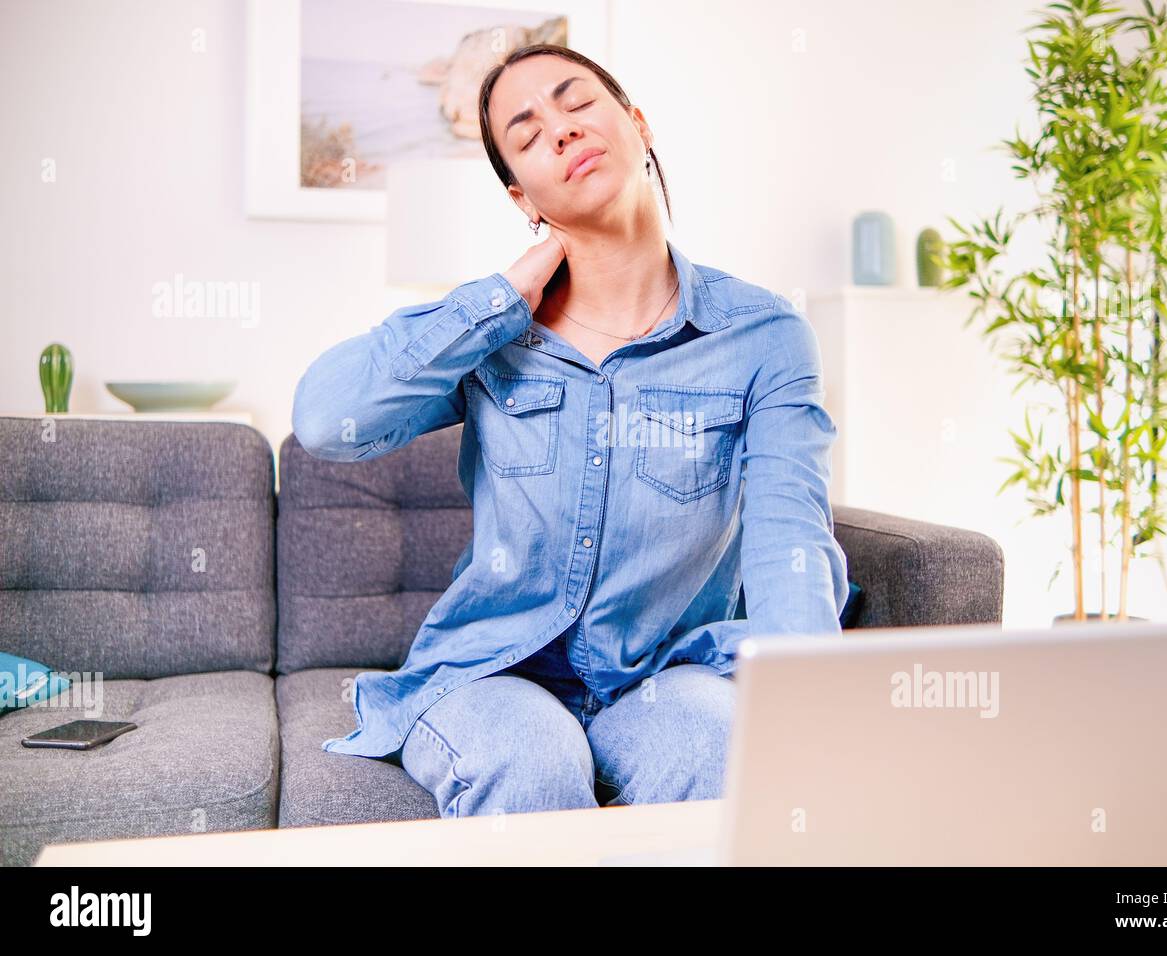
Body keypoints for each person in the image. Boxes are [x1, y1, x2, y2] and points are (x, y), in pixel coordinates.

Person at [291, 43, 850, 817]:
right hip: (495, 675)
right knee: (531, 764)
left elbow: (792, 547)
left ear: (637, 123)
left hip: (667, 673)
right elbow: (326, 421)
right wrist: (498, 297)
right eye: (526, 133)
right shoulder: (493, 338)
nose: (559, 129)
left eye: (577, 102)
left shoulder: (764, 336)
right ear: (525, 198)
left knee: (722, 753)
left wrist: (814, 712)